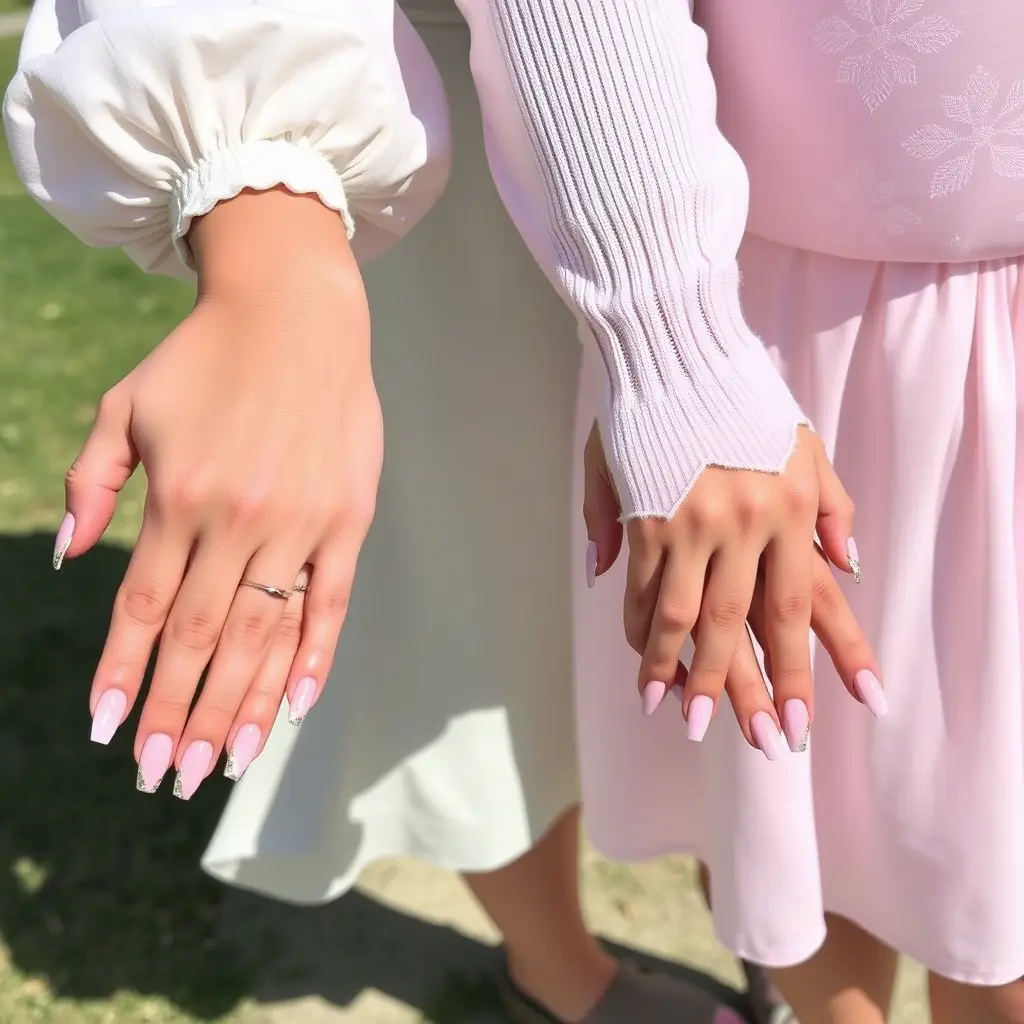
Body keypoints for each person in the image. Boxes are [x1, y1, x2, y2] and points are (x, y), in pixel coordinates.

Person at [2, 1, 952, 1023]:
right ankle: (556, 970)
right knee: (478, 613)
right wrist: (265, 213)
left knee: (738, 577)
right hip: (416, 113)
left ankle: (760, 902)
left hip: (773, 103)